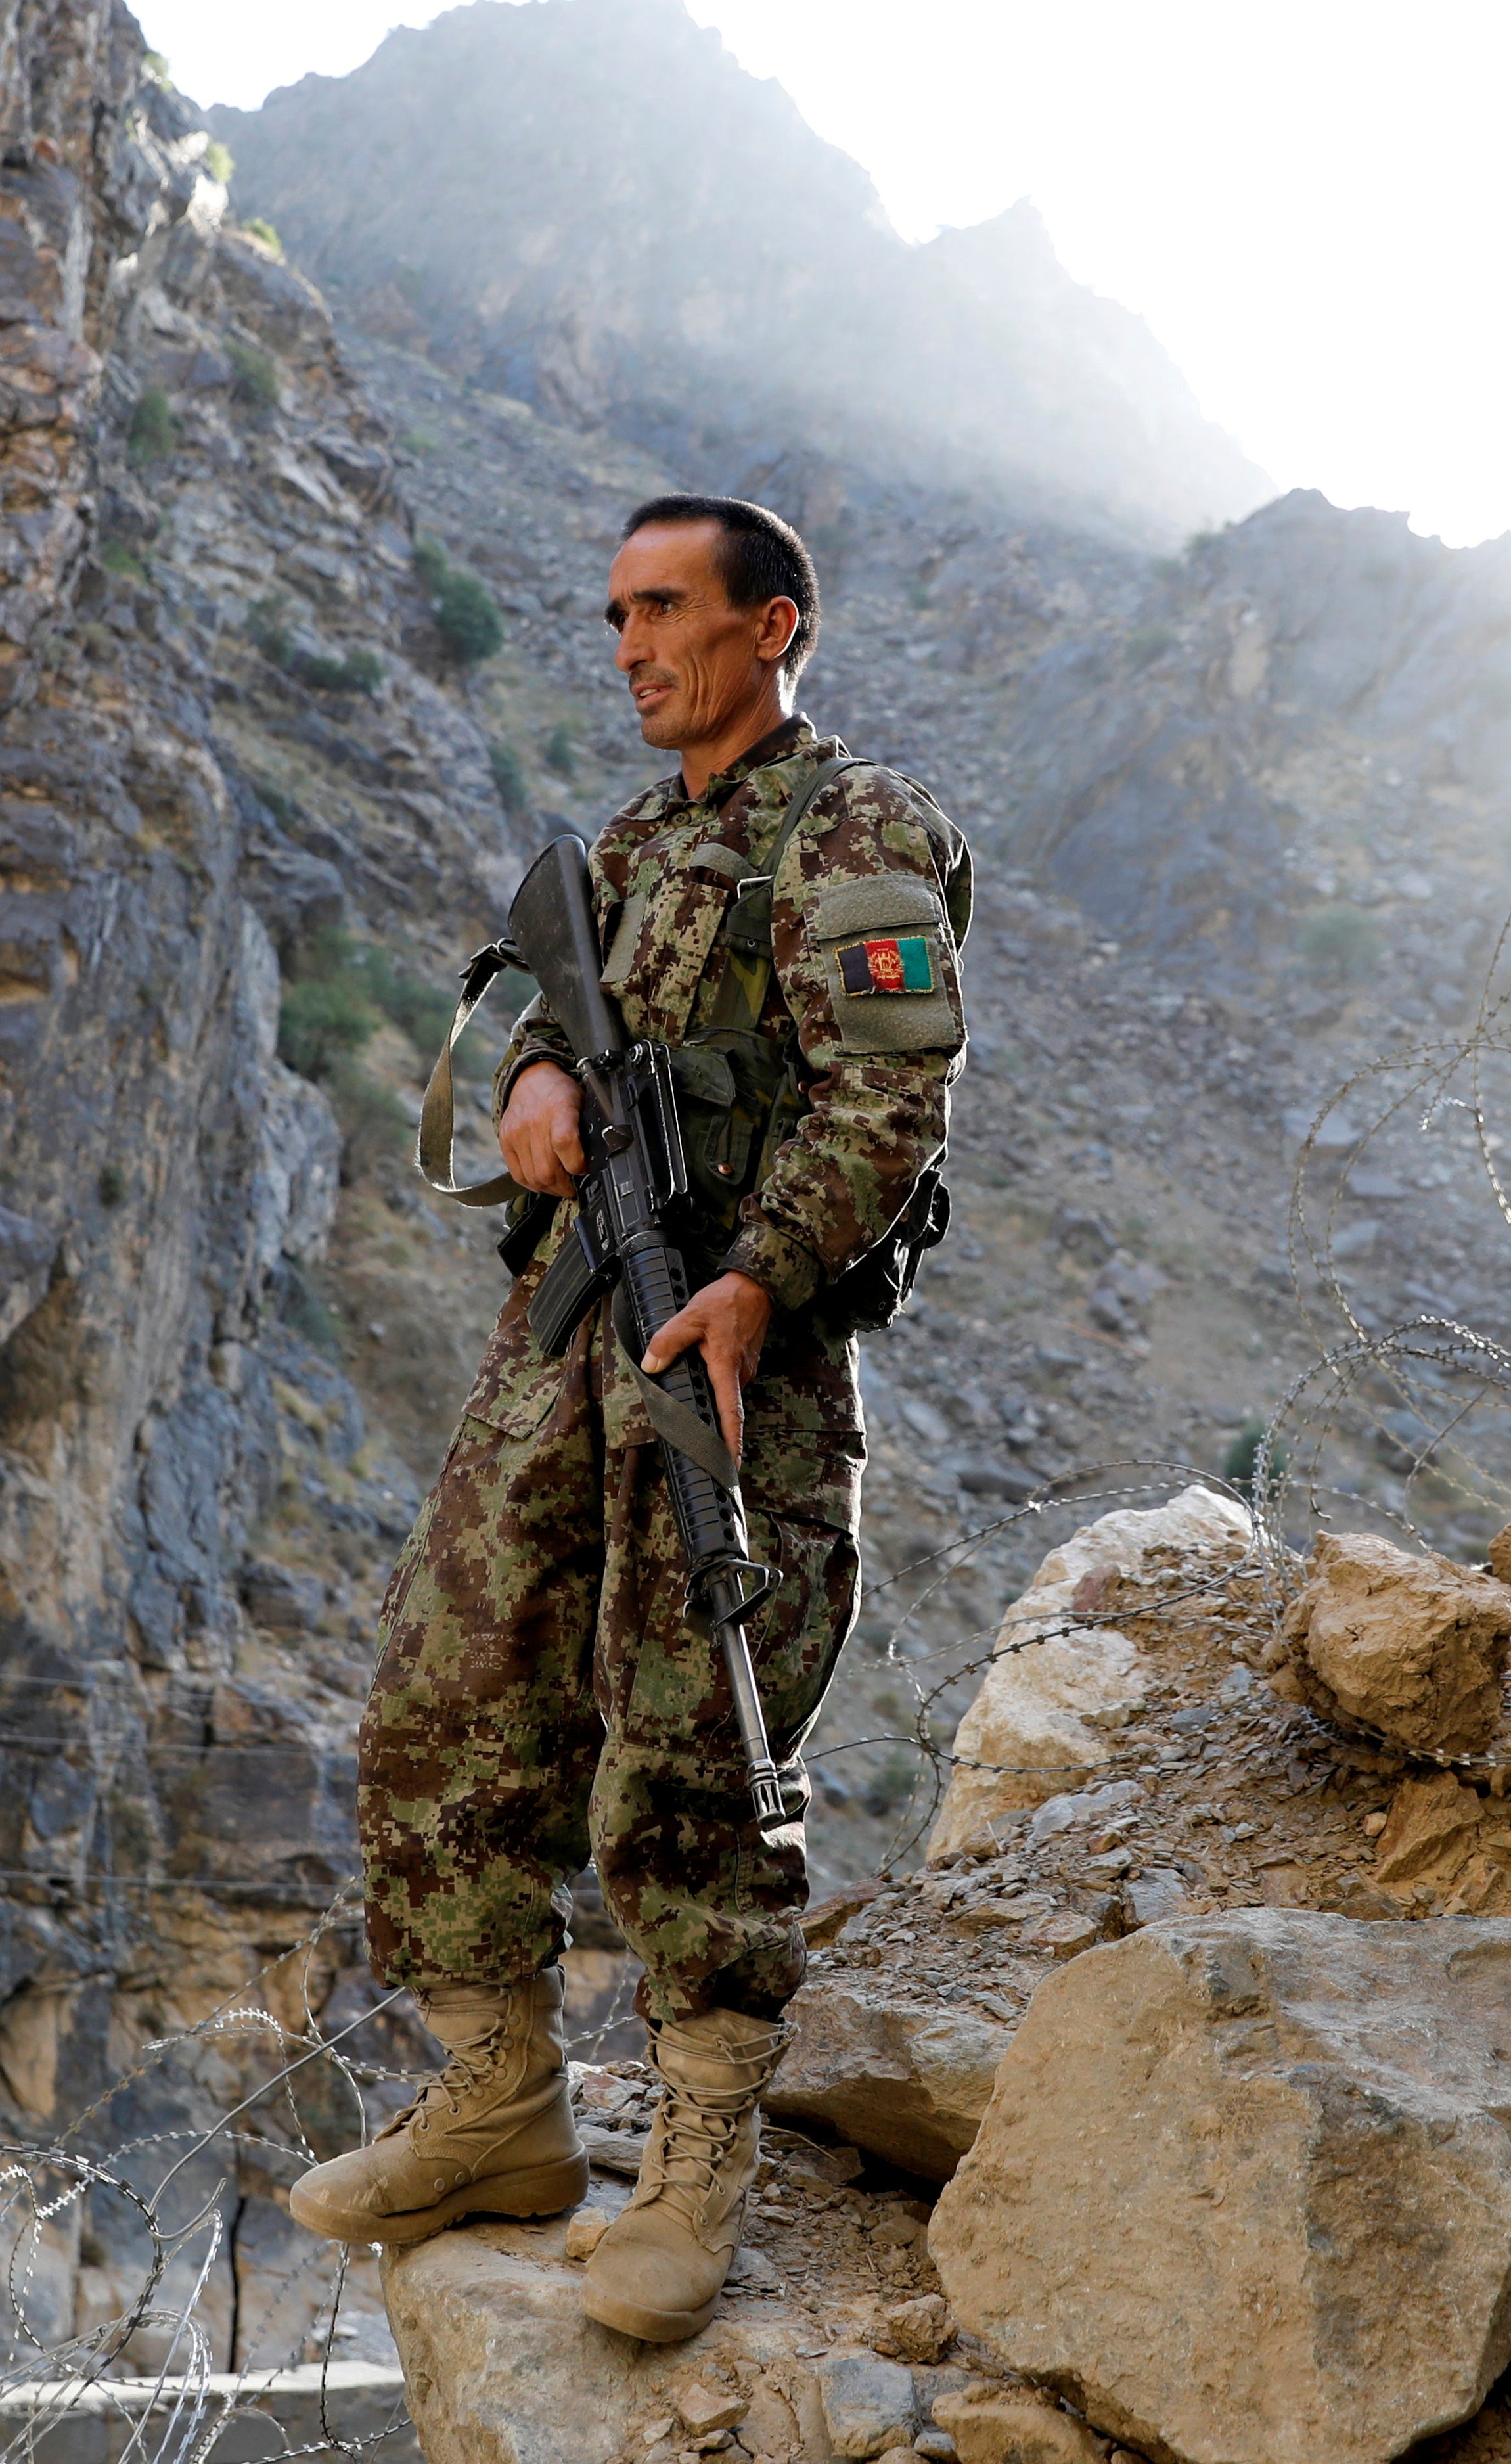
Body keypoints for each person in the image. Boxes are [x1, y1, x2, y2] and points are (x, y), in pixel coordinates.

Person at [286, 493, 969, 2342]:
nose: (628, 647)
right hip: (566, 1333)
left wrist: (761, 1279)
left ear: (774, 627)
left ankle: (694, 2170)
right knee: (449, 1696)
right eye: (611, 616)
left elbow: (889, 1102)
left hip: (743, 1346)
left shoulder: (859, 832)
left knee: (691, 1745)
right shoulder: (628, 843)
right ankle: (498, 2103)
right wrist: (525, 1068)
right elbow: (535, 991)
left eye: (662, 610)